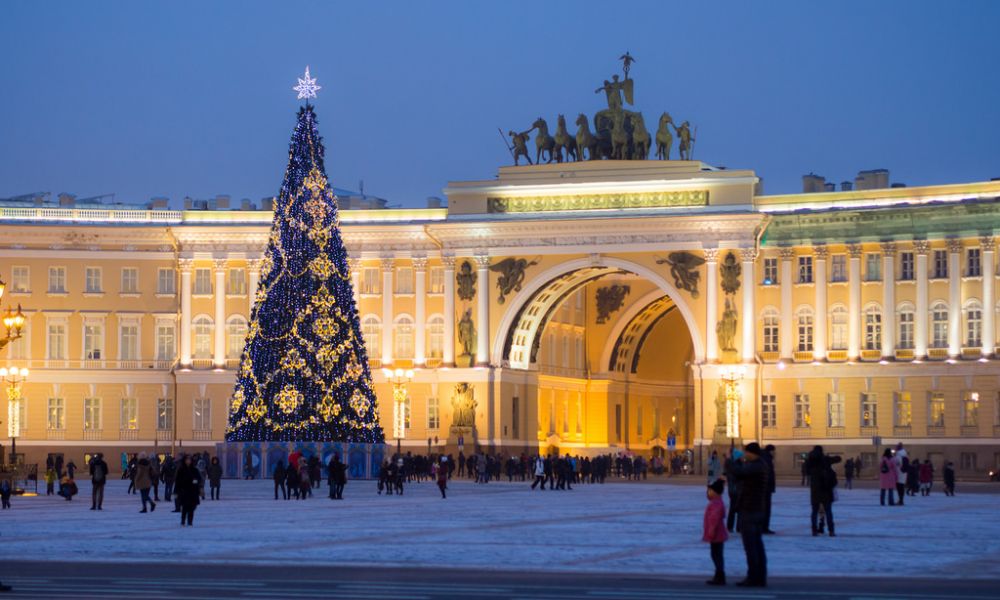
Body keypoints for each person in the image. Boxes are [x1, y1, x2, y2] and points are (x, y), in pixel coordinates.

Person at [729, 443, 768, 588]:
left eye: (746, 452)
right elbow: (742, 475)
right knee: (757, 546)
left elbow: (739, 473)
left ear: (752, 453)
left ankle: (754, 577)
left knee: (751, 546)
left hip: (750, 510)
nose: (744, 454)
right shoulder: (759, 465)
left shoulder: (756, 466)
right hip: (756, 509)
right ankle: (760, 577)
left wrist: (729, 460)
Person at [804, 445, 841, 537]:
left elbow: (806, 472)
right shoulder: (825, 459)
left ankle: (814, 531)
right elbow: (838, 459)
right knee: (828, 511)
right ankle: (831, 531)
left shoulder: (810, 461)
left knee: (814, 512)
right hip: (826, 489)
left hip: (815, 490)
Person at [703, 479, 729, 586]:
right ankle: (719, 575)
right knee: (716, 555)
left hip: (716, 534)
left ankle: (720, 575)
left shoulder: (716, 504)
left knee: (716, 555)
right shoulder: (716, 502)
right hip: (717, 534)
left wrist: (711, 531)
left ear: (715, 492)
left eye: (709, 491)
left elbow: (714, 519)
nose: (708, 493)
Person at [175, 455, 202, 526]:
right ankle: (183, 520)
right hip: (184, 491)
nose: (188, 461)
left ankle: (190, 521)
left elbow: (199, 479)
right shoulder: (181, 470)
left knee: (192, 507)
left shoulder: (194, 470)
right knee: (184, 507)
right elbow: (177, 481)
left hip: (193, 491)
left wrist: (196, 482)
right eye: (187, 460)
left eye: (189, 460)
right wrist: (176, 491)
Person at [724, 450, 743, 533]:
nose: (743, 457)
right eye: (741, 456)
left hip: (734, 489)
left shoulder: (737, 464)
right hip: (735, 490)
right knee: (736, 509)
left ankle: (734, 527)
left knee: (736, 509)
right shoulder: (735, 465)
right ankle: (735, 527)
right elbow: (738, 474)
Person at [762, 445, 777, 534]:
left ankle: (764, 527)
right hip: (766, 488)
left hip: (766, 487)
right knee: (766, 508)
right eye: (773, 451)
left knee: (765, 508)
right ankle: (764, 527)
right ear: (770, 451)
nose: (774, 453)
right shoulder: (767, 459)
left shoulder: (766, 458)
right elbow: (769, 474)